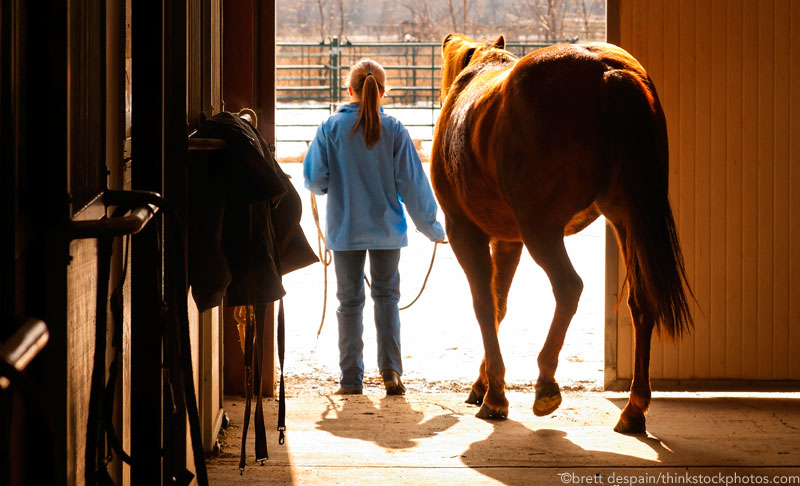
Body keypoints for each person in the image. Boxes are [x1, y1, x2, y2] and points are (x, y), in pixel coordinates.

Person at [303, 59, 446, 396]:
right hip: (387, 231)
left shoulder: (330, 128)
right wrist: (433, 228)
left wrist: (335, 182)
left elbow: (314, 180)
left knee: (349, 303)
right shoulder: (394, 129)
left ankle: (351, 379)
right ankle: (391, 372)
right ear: (383, 92)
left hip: (345, 231)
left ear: (349, 90)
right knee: (387, 298)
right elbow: (412, 184)